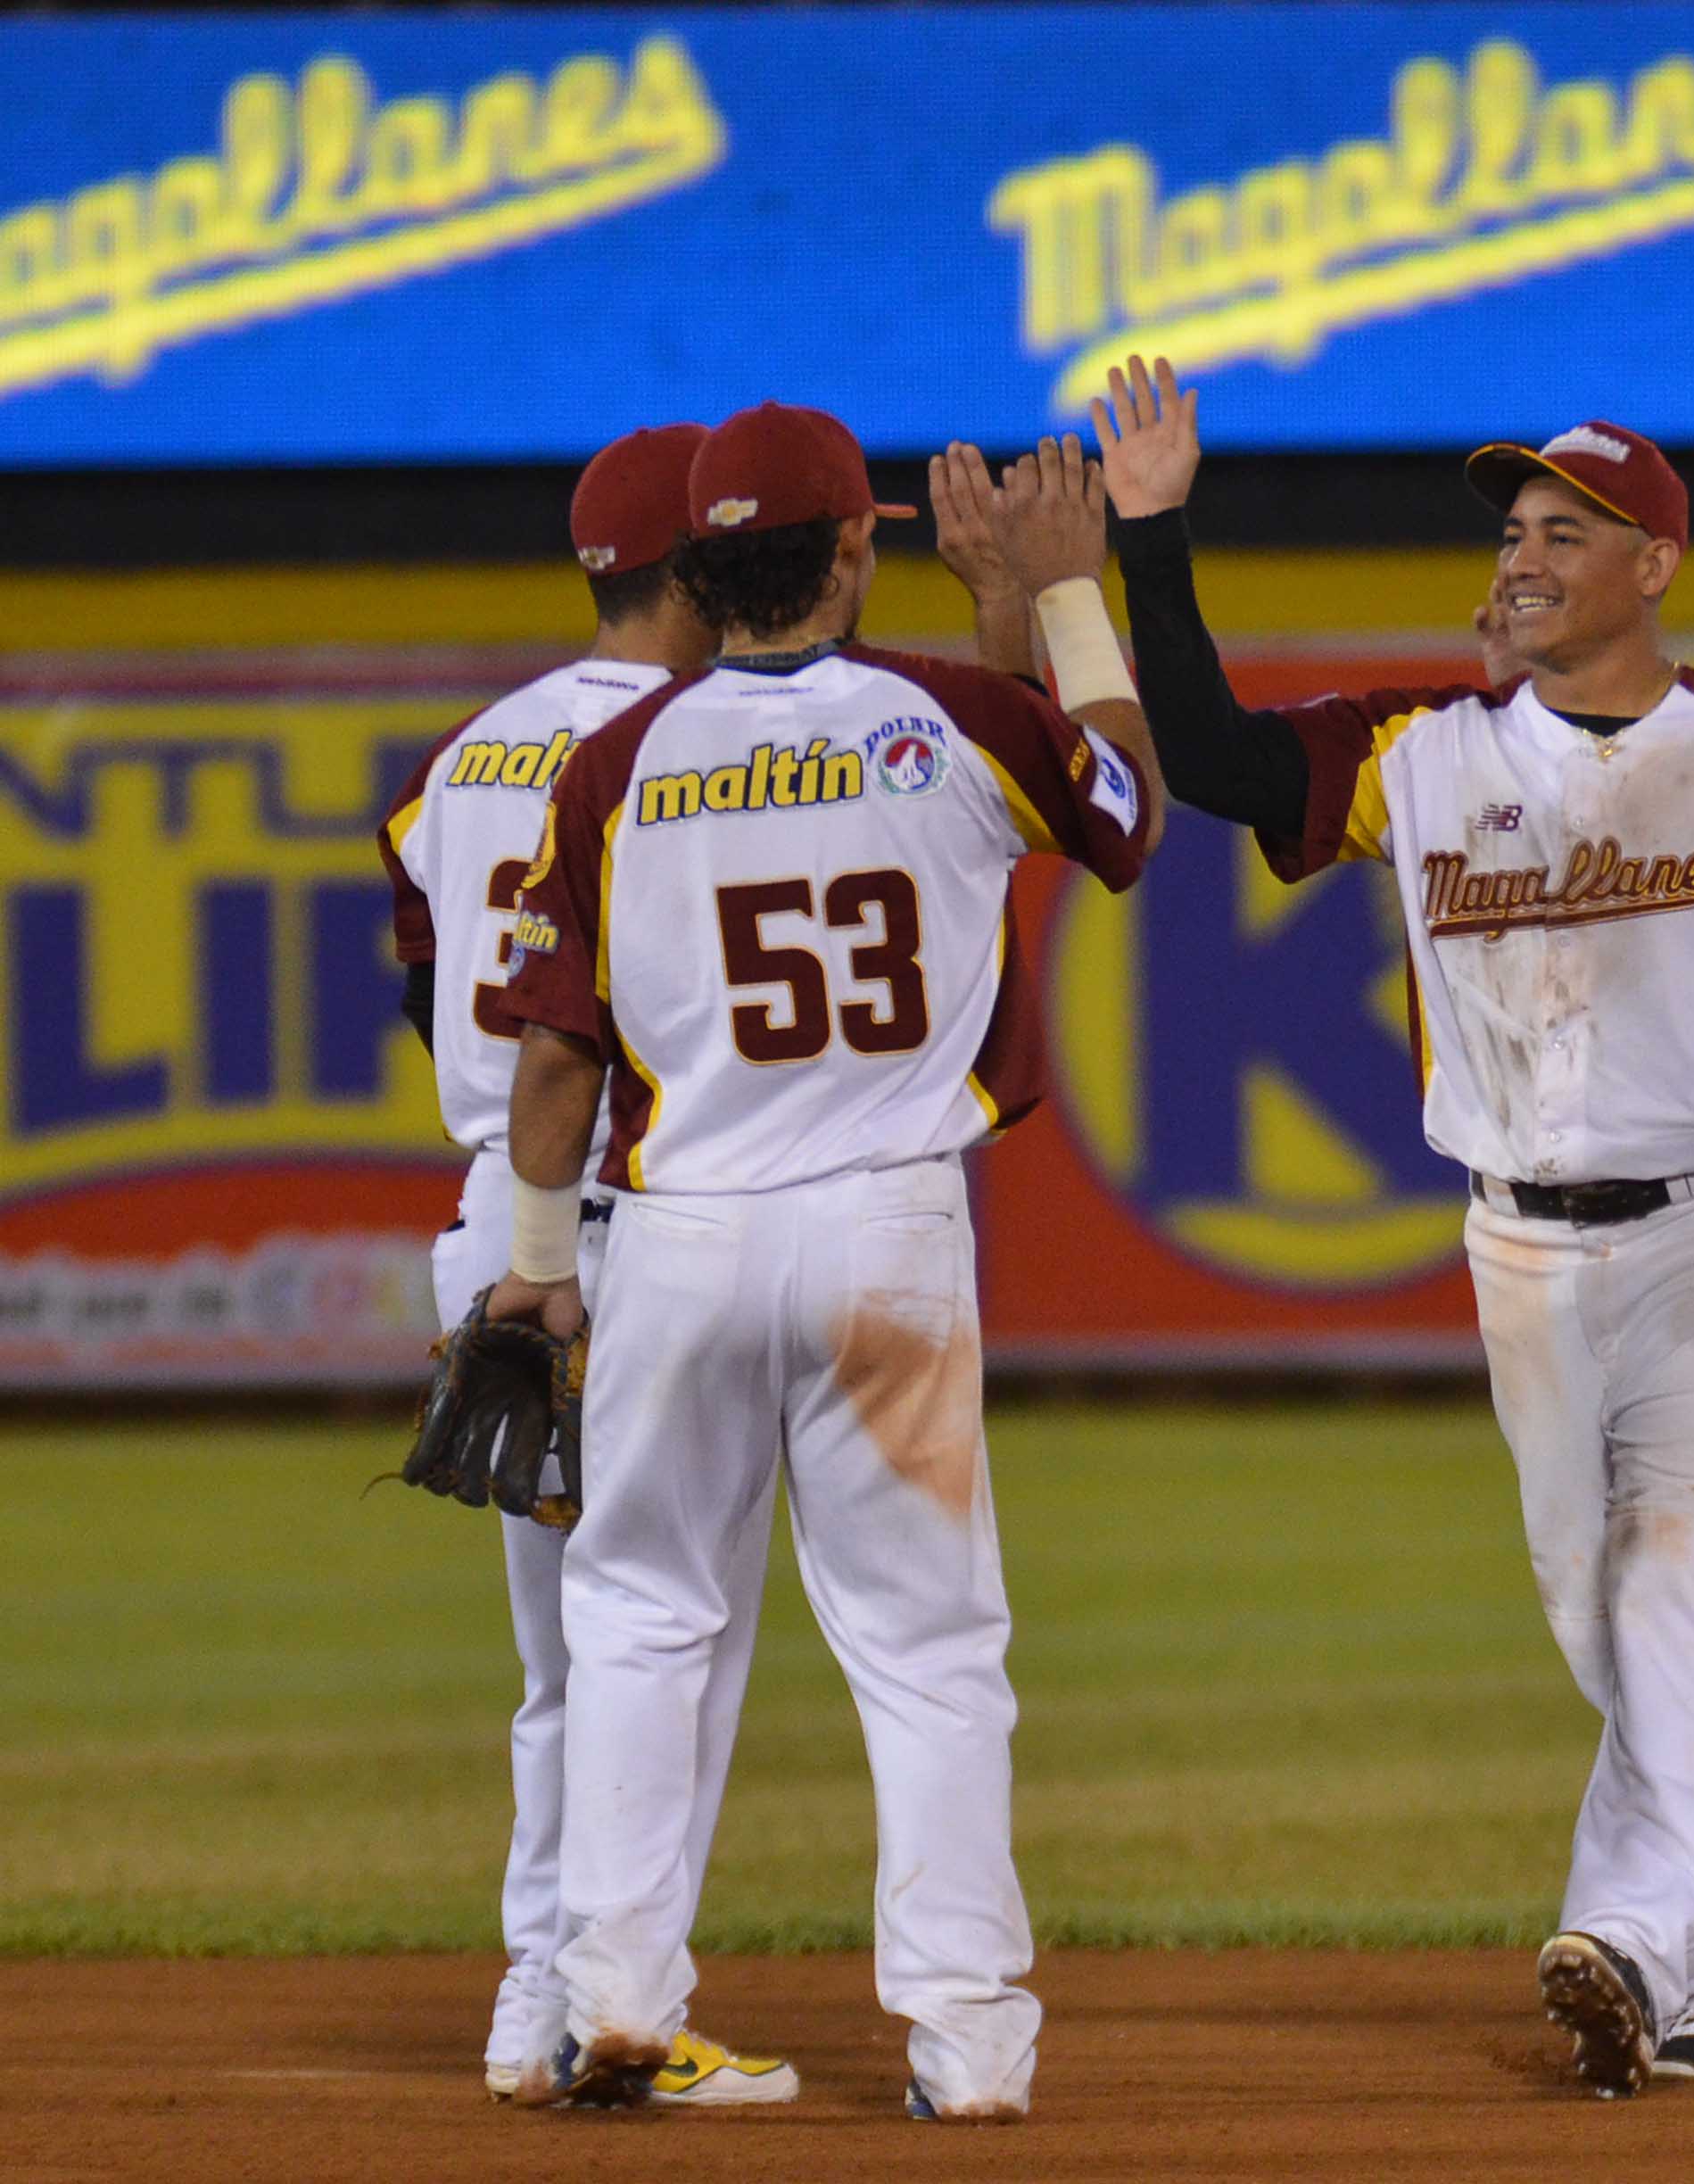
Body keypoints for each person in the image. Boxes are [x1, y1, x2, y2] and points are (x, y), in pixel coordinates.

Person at [1092, 355, 1694, 2099]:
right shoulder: (1421, 757)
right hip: (1513, 1243)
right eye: (1510, 528)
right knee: (1599, 1620)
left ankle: (1631, 1942)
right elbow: (1207, 759)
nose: (1521, 555)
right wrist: (1150, 536)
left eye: (1561, 531)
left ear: (1652, 564)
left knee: (1677, 1583)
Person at [484, 401, 1165, 2117]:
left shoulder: (618, 760)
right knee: (929, 1649)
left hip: (683, 1237)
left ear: (701, 566)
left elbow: (555, 1057)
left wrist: (538, 1265)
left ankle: (618, 2003)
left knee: (636, 1619)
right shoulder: (948, 717)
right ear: (854, 548)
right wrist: (1068, 597)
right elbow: (1123, 818)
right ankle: (967, 2041)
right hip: (887, 1234)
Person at [373, 423, 795, 2109]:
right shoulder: (690, 747)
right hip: (632, 1224)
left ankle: (530, 2008)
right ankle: (624, 2003)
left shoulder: (464, 759)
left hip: (498, 1212)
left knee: (568, 1664)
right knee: (671, 1647)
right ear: (695, 571)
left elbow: (424, 964)